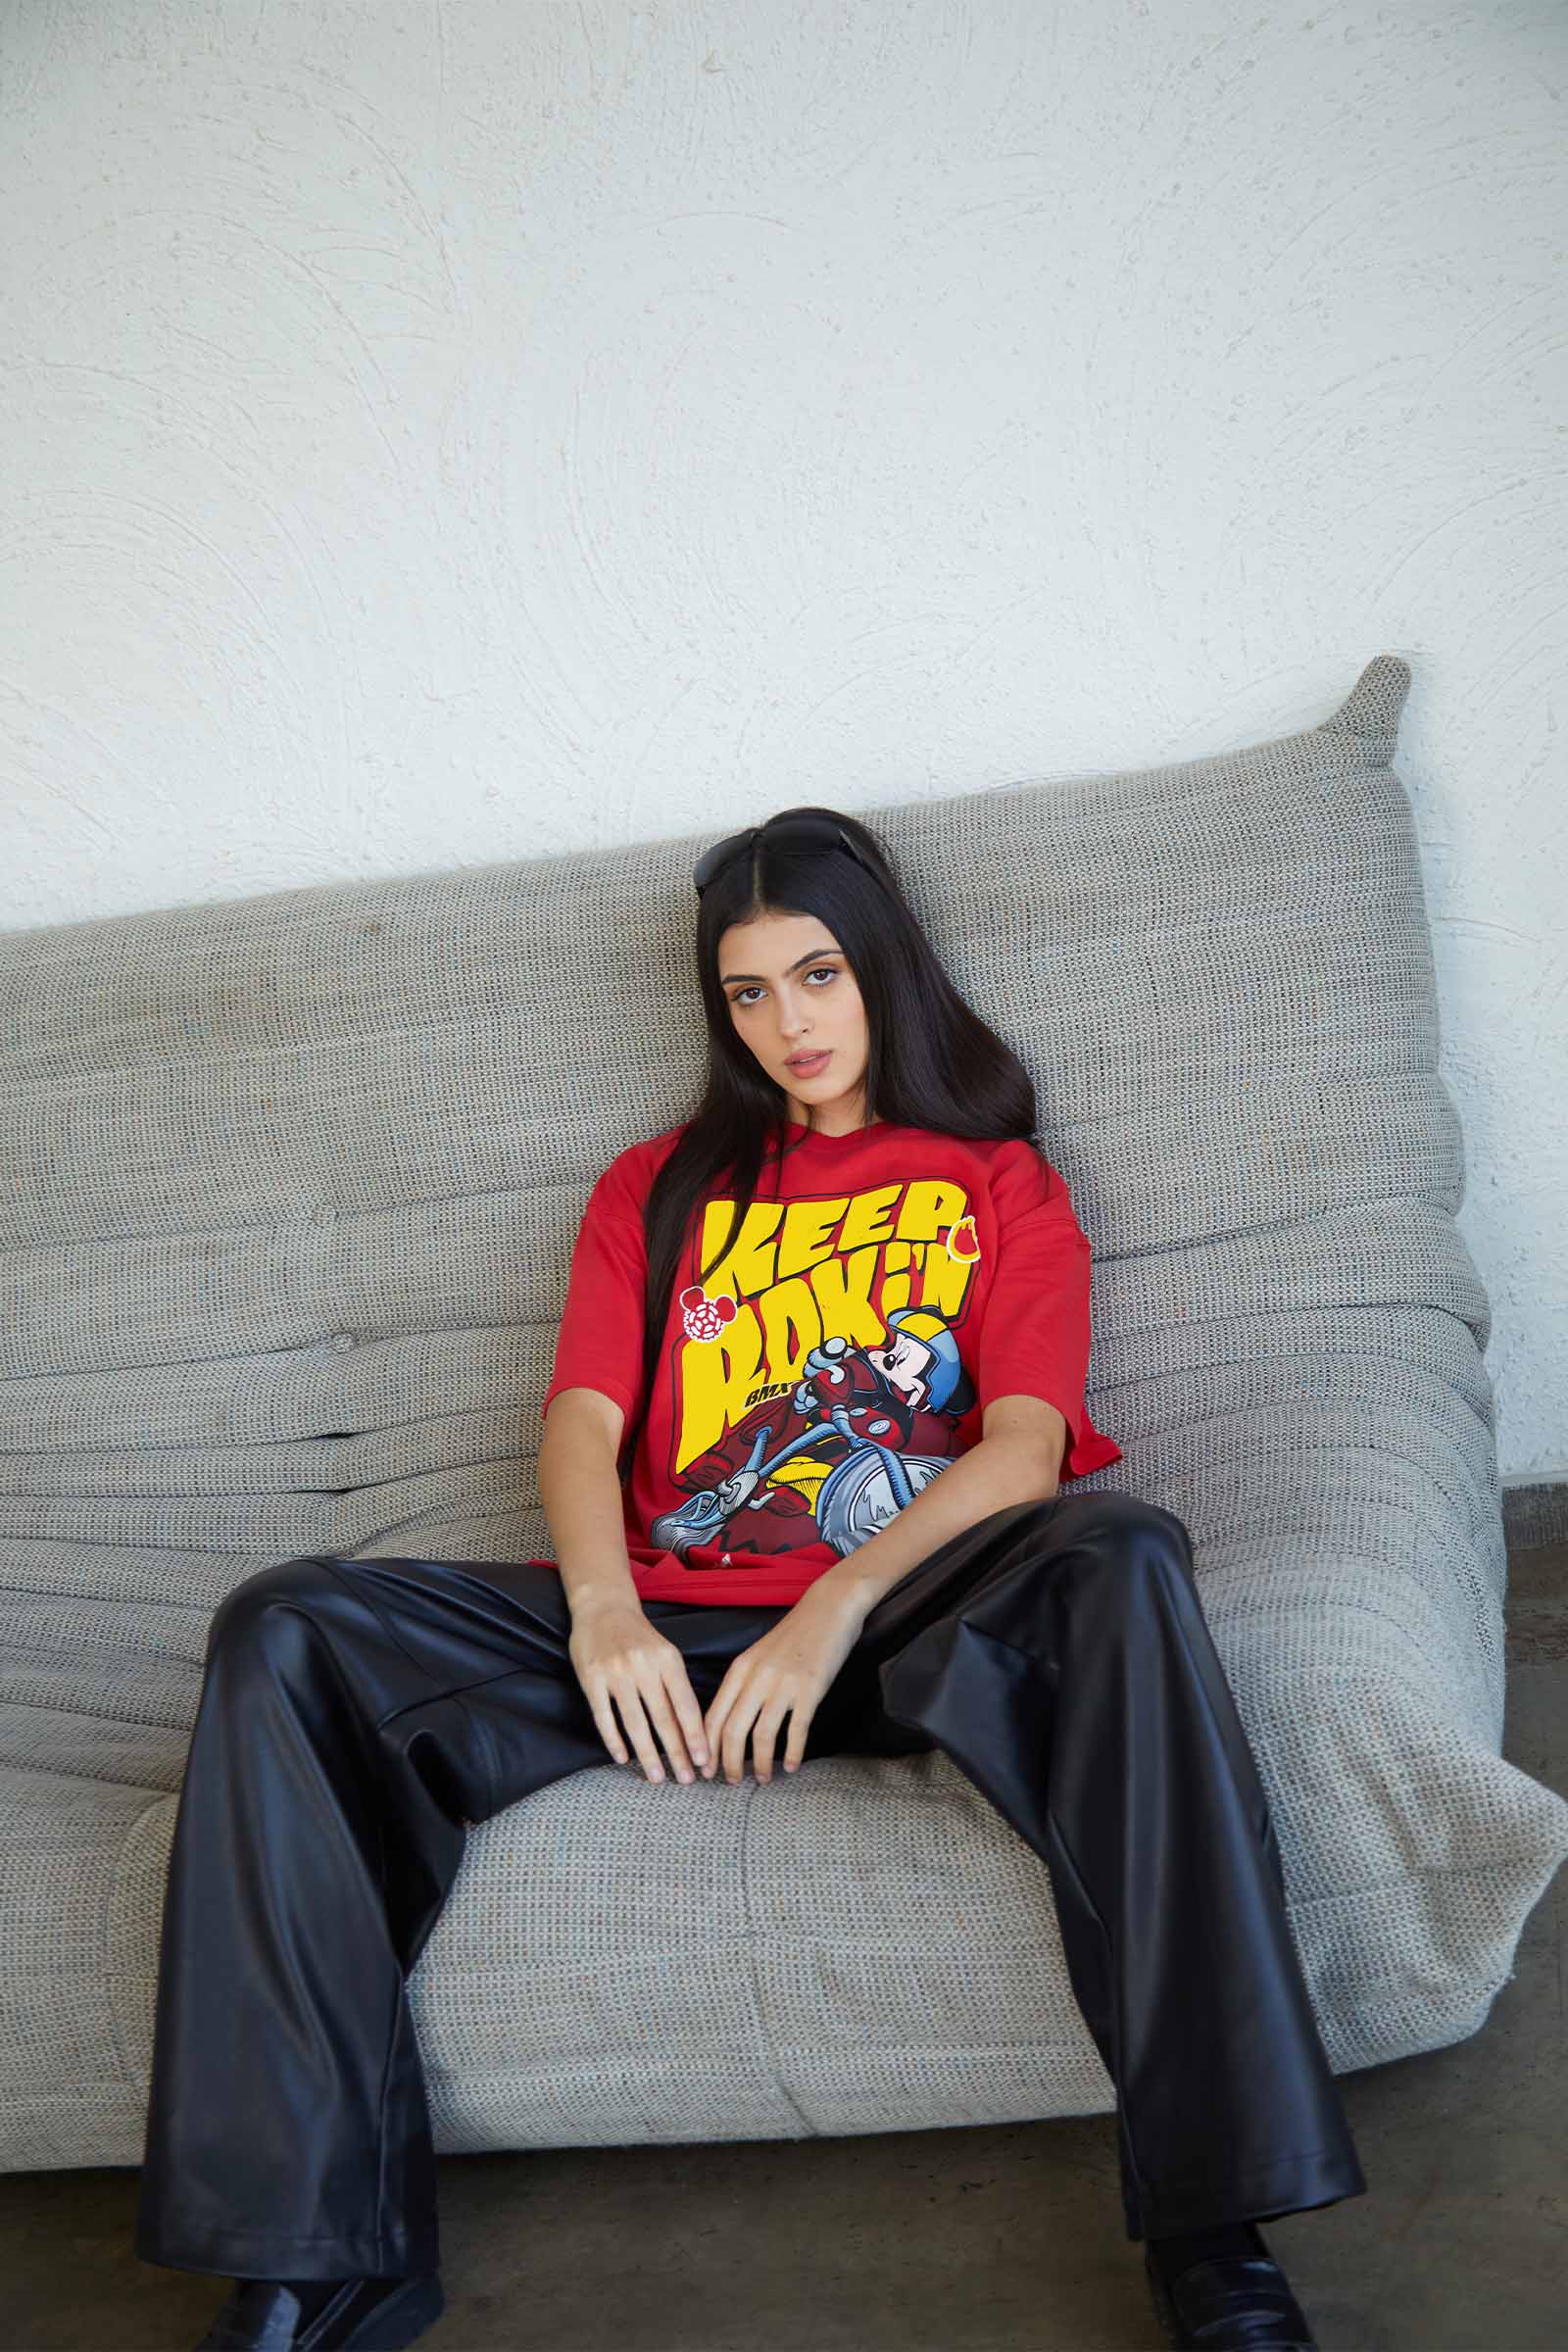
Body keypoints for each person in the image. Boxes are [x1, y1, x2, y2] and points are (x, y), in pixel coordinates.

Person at [134, 808, 1366, 2351]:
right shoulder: (653, 1189)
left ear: (884, 969)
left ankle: (1216, 2238)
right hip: (664, 1628)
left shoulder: (997, 1182)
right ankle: (315, 2269)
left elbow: (1026, 1450)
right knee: (287, 1626)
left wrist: (833, 1606)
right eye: (750, 991)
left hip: (907, 1620)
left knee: (1120, 1552)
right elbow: (583, 1424)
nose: (790, 1022)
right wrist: (603, 1609)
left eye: (820, 974)